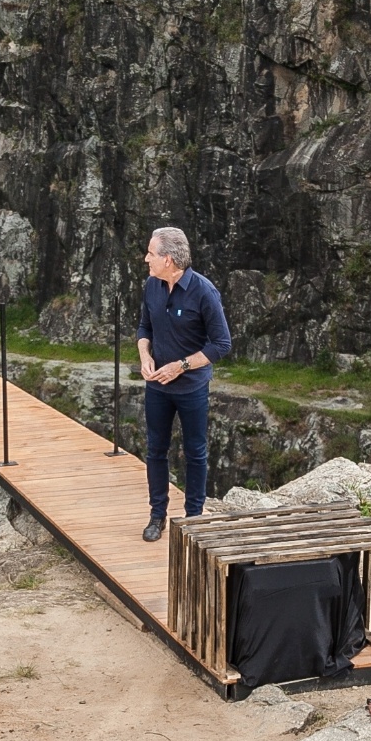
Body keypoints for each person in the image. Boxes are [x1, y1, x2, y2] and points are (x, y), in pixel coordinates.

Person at [136, 226, 232, 543]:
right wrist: (144, 356)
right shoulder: (152, 285)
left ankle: (193, 520)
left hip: (191, 388)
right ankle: (156, 517)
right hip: (157, 389)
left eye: (151, 253)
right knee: (156, 452)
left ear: (168, 259)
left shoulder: (204, 292)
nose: (146, 258)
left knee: (195, 454)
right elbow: (144, 326)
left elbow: (222, 344)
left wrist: (182, 366)